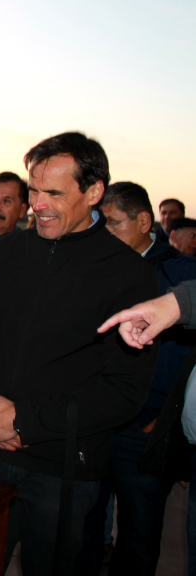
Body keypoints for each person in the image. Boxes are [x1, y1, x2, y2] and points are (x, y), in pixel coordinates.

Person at [0, 131, 159, 576]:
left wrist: (23, 420)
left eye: (54, 192)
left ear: (94, 192)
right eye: (34, 190)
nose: (39, 204)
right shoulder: (11, 250)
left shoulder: (131, 276)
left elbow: (124, 391)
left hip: (62, 471)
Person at [74, 182, 196, 575]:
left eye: (112, 224)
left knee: (138, 536)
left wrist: (165, 421)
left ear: (145, 222)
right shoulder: (90, 268)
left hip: (142, 429)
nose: (104, 234)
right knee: (84, 525)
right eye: (99, 224)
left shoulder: (178, 276)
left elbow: (183, 361)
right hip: (94, 421)